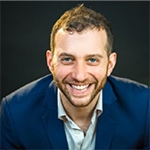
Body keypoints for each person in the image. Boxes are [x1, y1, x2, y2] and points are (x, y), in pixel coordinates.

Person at [1, 4, 149, 150]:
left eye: (92, 60)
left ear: (110, 64)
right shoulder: (14, 113)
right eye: (67, 59)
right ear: (50, 61)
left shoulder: (145, 107)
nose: (79, 76)